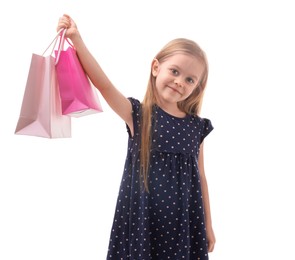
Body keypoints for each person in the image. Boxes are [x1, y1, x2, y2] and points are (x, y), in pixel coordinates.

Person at [57, 14, 216, 259]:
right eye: (174, 71)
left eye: (189, 79)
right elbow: (104, 84)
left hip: (182, 227)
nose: (179, 82)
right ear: (156, 67)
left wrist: (208, 224)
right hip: (143, 224)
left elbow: (201, 176)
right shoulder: (138, 115)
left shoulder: (196, 127)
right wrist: (77, 40)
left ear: (197, 87)